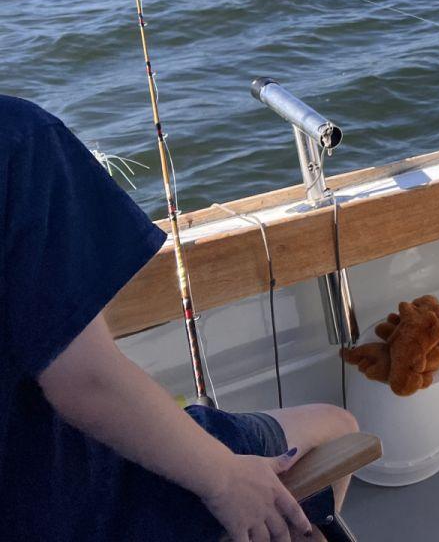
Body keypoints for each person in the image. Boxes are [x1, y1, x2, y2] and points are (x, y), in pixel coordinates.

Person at [1, 94, 359, 541]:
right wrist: (225, 478)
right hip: (77, 501)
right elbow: (84, 379)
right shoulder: (17, 137)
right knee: (336, 428)